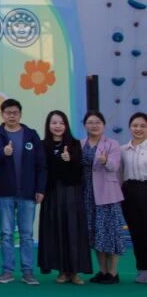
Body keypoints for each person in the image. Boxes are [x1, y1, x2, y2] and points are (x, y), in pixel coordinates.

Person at [0, 98, 46, 285]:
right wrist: (3, 152)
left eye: (15, 113)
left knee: (27, 234)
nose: (11, 116)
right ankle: (7, 271)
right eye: (8, 113)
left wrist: (40, 189)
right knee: (6, 233)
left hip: (28, 192)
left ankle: (28, 272)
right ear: (2, 114)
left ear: (20, 114)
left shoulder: (31, 135)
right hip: (4, 192)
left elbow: (41, 164)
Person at [38, 110, 91, 284]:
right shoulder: (42, 145)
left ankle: (75, 272)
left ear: (66, 125)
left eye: (61, 123)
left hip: (71, 193)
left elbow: (80, 171)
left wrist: (70, 160)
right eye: (54, 123)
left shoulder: (74, 144)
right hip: (51, 193)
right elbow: (40, 170)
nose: (58, 126)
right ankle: (61, 271)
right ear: (48, 125)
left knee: (73, 230)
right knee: (55, 230)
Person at [81, 111, 125, 284]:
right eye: (90, 122)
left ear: (104, 125)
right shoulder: (80, 144)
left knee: (111, 233)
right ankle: (103, 271)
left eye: (98, 122)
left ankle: (113, 273)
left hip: (107, 195)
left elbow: (114, 166)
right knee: (96, 233)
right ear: (85, 125)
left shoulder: (112, 144)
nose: (94, 125)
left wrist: (105, 161)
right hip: (87, 195)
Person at [120, 112, 147, 284]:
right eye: (135, 125)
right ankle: (143, 269)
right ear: (130, 127)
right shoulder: (122, 150)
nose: (138, 129)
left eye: (143, 126)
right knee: (136, 231)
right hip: (129, 191)